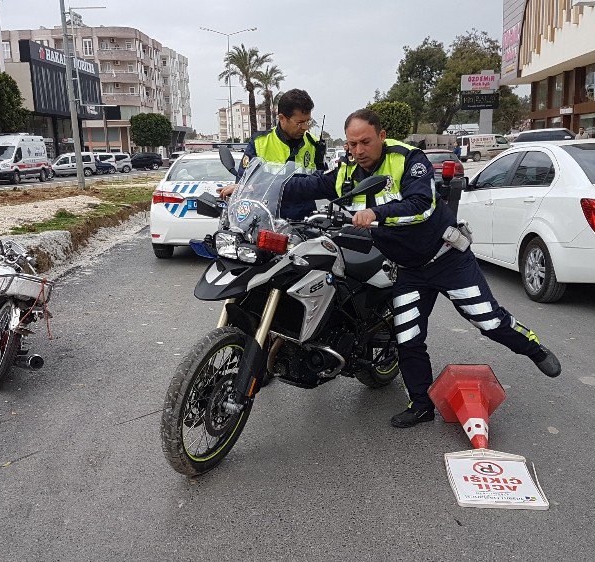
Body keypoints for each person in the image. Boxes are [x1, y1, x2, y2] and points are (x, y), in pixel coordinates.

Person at [225, 109, 561, 428]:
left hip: (446, 258)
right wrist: (250, 189)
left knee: (487, 320)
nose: (358, 150)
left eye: (365, 142)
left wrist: (376, 215)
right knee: (409, 337)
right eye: (352, 143)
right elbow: (307, 186)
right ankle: (421, 405)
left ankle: (534, 348)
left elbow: (421, 205)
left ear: (381, 136)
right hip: (408, 268)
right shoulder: (347, 169)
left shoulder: (407, 160)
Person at [237, 88, 327, 219]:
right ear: (282, 118)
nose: (305, 127)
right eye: (299, 123)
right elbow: (243, 184)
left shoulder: (315, 145)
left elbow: (323, 184)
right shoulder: (259, 143)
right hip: (266, 222)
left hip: (304, 223)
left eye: (308, 122)